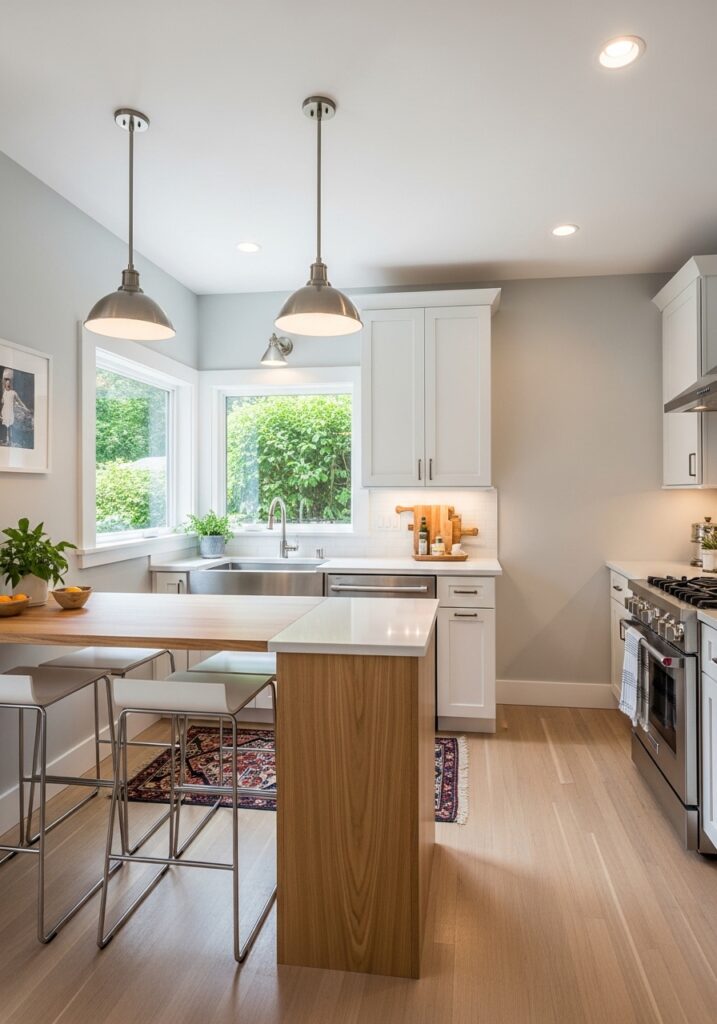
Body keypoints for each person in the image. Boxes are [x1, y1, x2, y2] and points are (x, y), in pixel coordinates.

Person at [1, 375, 30, 447]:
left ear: (10, 384)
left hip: (10, 412)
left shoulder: (13, 393)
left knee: (10, 426)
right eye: (6, 384)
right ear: (5, 385)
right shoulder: (4, 393)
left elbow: (20, 401)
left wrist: (25, 408)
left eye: (9, 384)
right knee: (4, 426)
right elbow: (2, 402)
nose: (8, 385)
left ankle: (10, 441)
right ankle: (5, 440)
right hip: (4, 411)